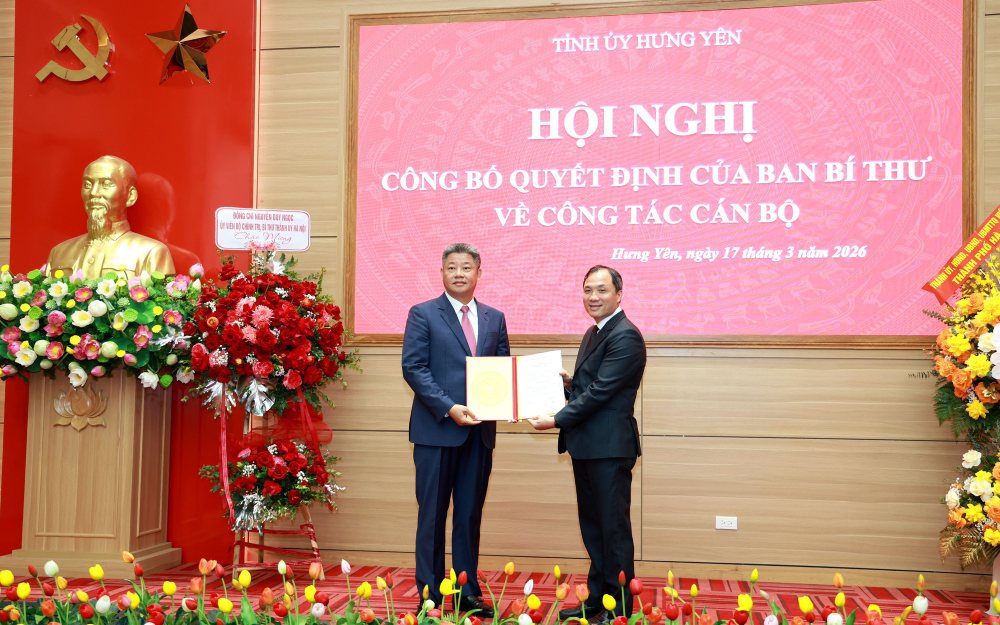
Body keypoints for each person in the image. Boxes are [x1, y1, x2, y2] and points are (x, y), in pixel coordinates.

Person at [527, 265, 646, 624]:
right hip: (589, 447)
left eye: (601, 290)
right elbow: (590, 387)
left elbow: (601, 393)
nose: (593, 297)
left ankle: (619, 608)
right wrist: (567, 384)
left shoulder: (625, 336)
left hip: (609, 448)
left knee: (613, 531)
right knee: (594, 528)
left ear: (619, 294)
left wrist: (556, 419)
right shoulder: (596, 332)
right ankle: (598, 599)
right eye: (587, 291)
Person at [402, 243, 510, 613]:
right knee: (431, 515)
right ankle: (429, 594)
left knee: (468, 516)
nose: (459, 273)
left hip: (479, 433)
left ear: (480, 272)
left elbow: (501, 370)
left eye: (466, 267)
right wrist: (449, 407)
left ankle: (467, 592)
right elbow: (413, 368)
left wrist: (514, 397)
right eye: (452, 267)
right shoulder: (423, 314)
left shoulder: (495, 318)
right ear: (442, 272)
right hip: (437, 430)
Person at [46, 155, 175, 280]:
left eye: (106, 184)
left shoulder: (151, 253)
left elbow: (161, 300)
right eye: (87, 185)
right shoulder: (59, 253)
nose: (93, 193)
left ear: (130, 196)